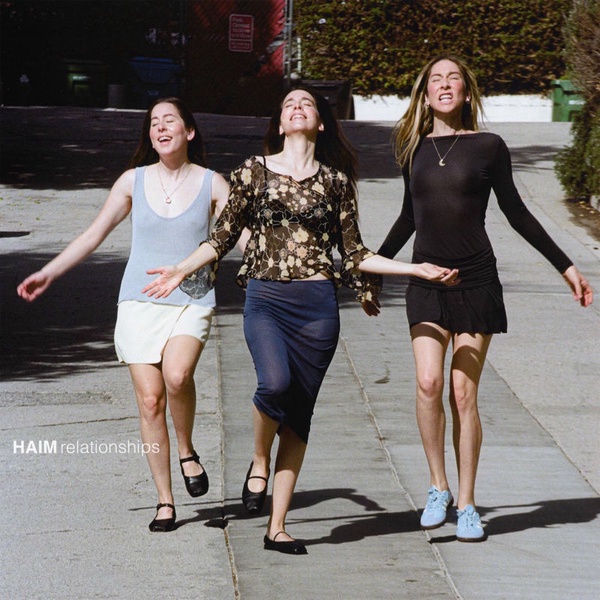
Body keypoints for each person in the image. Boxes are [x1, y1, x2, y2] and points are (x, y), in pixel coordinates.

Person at [142, 84, 460, 554]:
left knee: (299, 414)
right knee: (274, 384)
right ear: (279, 122)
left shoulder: (335, 182)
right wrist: (181, 270)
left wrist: (415, 269)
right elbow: (222, 237)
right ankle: (258, 459)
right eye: (289, 103)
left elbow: (355, 253)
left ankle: (277, 527)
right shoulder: (253, 171)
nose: (296, 107)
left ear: (320, 122)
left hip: (318, 309)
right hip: (267, 300)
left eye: (306, 103)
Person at [376, 54, 594, 542]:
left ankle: (468, 503)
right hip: (427, 280)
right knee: (428, 383)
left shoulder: (489, 146)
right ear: (425, 95)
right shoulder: (412, 150)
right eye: (436, 79)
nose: (445, 84)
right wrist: (375, 268)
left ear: (466, 92)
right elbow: (409, 217)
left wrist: (566, 266)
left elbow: (516, 212)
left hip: (476, 281)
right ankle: (438, 487)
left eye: (453, 78)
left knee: (462, 392)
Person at [17, 97, 232, 533]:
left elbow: (238, 238)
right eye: (153, 123)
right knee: (150, 401)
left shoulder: (213, 184)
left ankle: (186, 449)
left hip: (191, 297)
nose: (160, 128)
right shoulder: (133, 181)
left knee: (177, 376)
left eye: (169, 120)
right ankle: (165, 500)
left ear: (189, 131)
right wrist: (48, 272)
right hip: (138, 301)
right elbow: (93, 235)